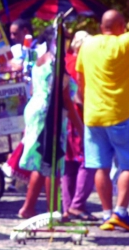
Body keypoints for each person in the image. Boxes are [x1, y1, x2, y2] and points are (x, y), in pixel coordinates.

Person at [77, 8, 129, 232]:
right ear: (119, 28)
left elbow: (80, 79)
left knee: (100, 166)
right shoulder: (127, 42)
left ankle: (107, 214)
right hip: (121, 115)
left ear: (101, 27)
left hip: (93, 115)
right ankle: (121, 212)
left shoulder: (87, 45)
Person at [17, 46, 83, 219]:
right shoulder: (56, 64)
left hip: (36, 109)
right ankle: (53, 212)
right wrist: (82, 130)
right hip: (50, 114)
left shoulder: (40, 60)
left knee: (43, 160)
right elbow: (66, 100)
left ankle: (29, 207)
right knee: (52, 161)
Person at [62, 31, 96, 221]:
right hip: (78, 116)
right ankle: (77, 205)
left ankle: (69, 207)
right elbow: (81, 95)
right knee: (87, 160)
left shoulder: (64, 61)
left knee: (68, 164)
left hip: (65, 117)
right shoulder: (80, 64)